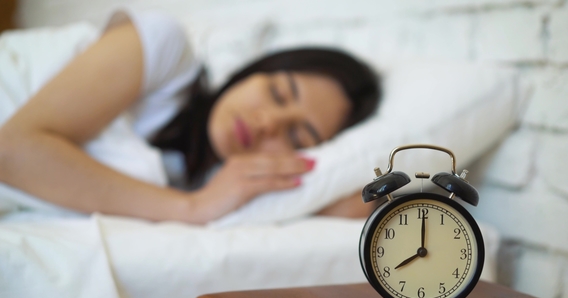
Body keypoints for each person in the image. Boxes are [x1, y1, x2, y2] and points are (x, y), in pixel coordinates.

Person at [0, 10, 381, 224]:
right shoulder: (164, 48)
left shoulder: (215, 181)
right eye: (278, 93)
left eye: (298, 138)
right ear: (254, 71)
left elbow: (348, 204)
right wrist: (190, 208)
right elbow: (12, 149)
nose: (267, 122)